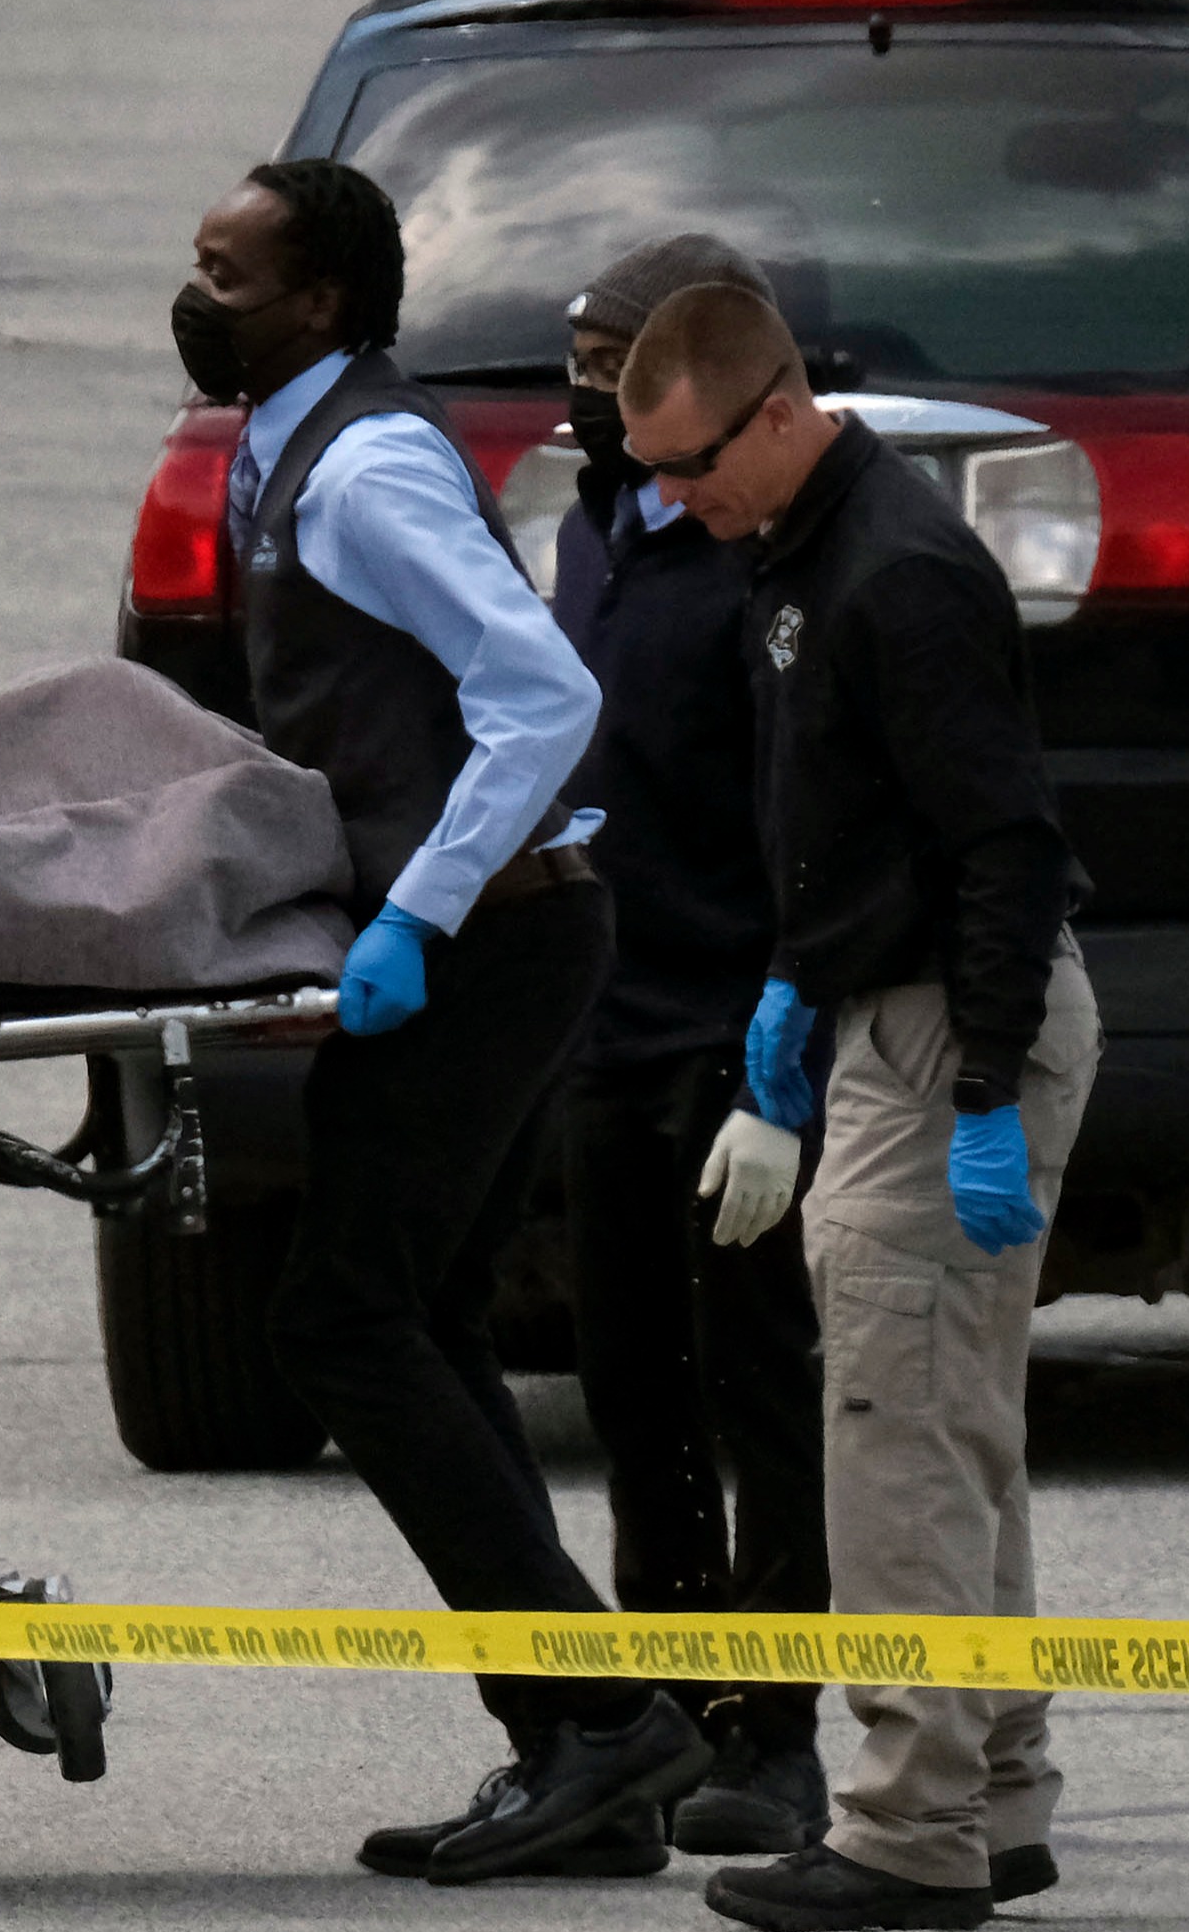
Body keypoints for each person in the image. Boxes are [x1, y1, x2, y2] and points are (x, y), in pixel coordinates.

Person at [173, 160, 705, 1887]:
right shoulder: (291, 443)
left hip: (494, 940)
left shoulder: (373, 464)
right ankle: (576, 1742)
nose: (202, 297)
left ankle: (603, 1719)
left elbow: (543, 690)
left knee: (341, 1318)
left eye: (231, 275)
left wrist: (418, 911)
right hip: (488, 934)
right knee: (424, 1310)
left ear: (323, 303)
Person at [617, 284, 1094, 1932]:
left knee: (890, 1438)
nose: (672, 503)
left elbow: (1006, 844)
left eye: (686, 465)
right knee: (958, 1430)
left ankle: (906, 1830)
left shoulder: (898, 573)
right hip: (879, 1009)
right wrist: (796, 986)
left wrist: (976, 1085)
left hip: (956, 1024)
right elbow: (848, 822)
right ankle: (998, 1794)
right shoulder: (793, 557)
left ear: (772, 412)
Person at [549, 237, 833, 1859]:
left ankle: (778, 1728)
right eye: (580, 367)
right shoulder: (606, 536)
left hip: (734, 1038)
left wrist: (773, 1065)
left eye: (617, 369)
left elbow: (805, 825)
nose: (592, 400)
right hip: (607, 1018)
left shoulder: (756, 565)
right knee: (627, 1382)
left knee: (758, 1385)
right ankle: (663, 1703)